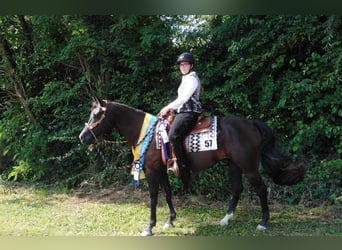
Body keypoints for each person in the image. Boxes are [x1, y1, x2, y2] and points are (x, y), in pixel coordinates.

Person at [159, 52, 202, 190]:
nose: (183, 67)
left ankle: (183, 168)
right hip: (183, 112)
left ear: (191, 65)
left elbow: (183, 99)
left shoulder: (192, 79)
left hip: (190, 112)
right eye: (181, 65)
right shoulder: (186, 78)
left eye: (186, 64)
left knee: (173, 135)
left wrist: (167, 107)